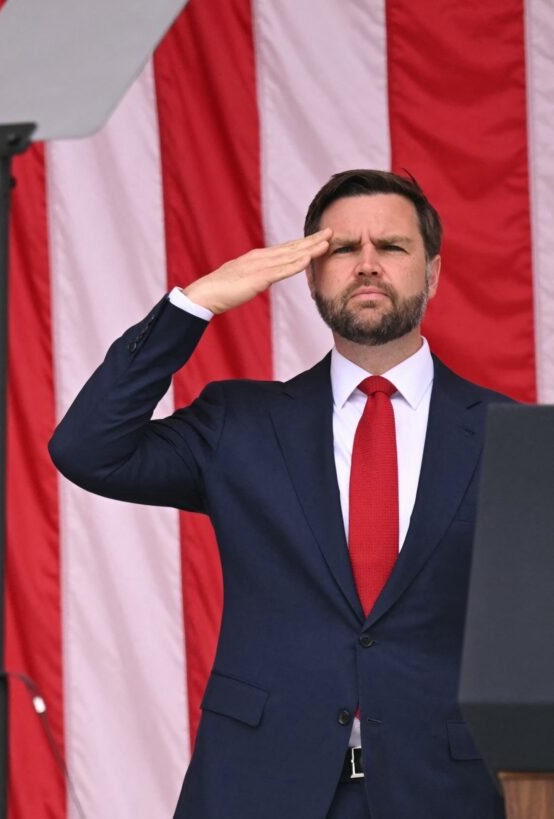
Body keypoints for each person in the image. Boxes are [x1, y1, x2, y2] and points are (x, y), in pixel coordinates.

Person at [48, 170, 507, 818]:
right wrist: (195, 303)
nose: (368, 264)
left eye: (393, 247)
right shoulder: (240, 422)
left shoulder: (509, 433)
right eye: (343, 249)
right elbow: (88, 447)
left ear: (432, 273)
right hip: (259, 785)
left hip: (446, 790)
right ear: (312, 276)